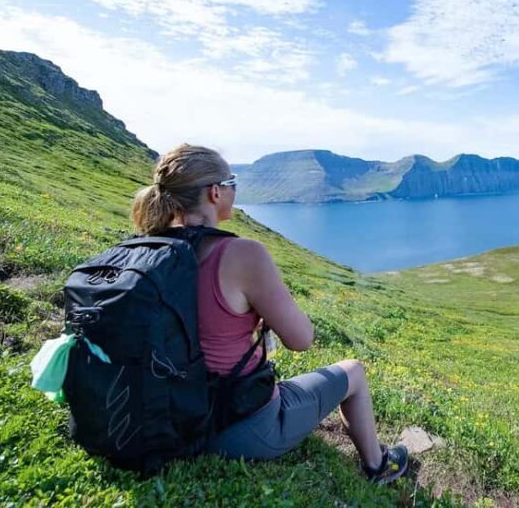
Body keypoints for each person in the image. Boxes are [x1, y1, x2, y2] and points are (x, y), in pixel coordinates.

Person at [130, 143, 408, 483]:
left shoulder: (146, 248)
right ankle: (378, 466)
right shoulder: (243, 254)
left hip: (164, 416)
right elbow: (301, 340)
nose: (235, 188)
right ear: (216, 193)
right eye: (232, 181)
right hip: (236, 429)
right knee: (354, 373)